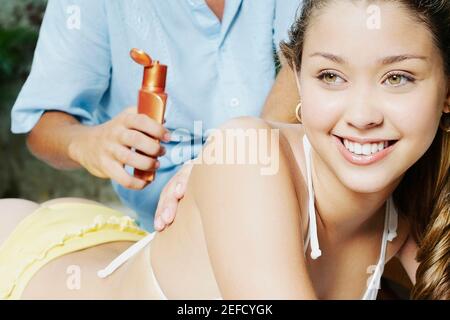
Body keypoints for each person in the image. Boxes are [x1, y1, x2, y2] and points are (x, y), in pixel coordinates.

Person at [1, 0, 449, 300]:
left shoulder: (406, 212)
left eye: (399, 78)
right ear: (301, 75)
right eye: (331, 76)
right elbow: (42, 123)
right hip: (25, 262)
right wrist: (89, 143)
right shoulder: (248, 158)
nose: (363, 113)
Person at [10, 0, 302, 232]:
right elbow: (44, 125)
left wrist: (234, 161)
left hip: (288, 196)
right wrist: (88, 144)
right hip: (167, 225)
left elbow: (306, 58)